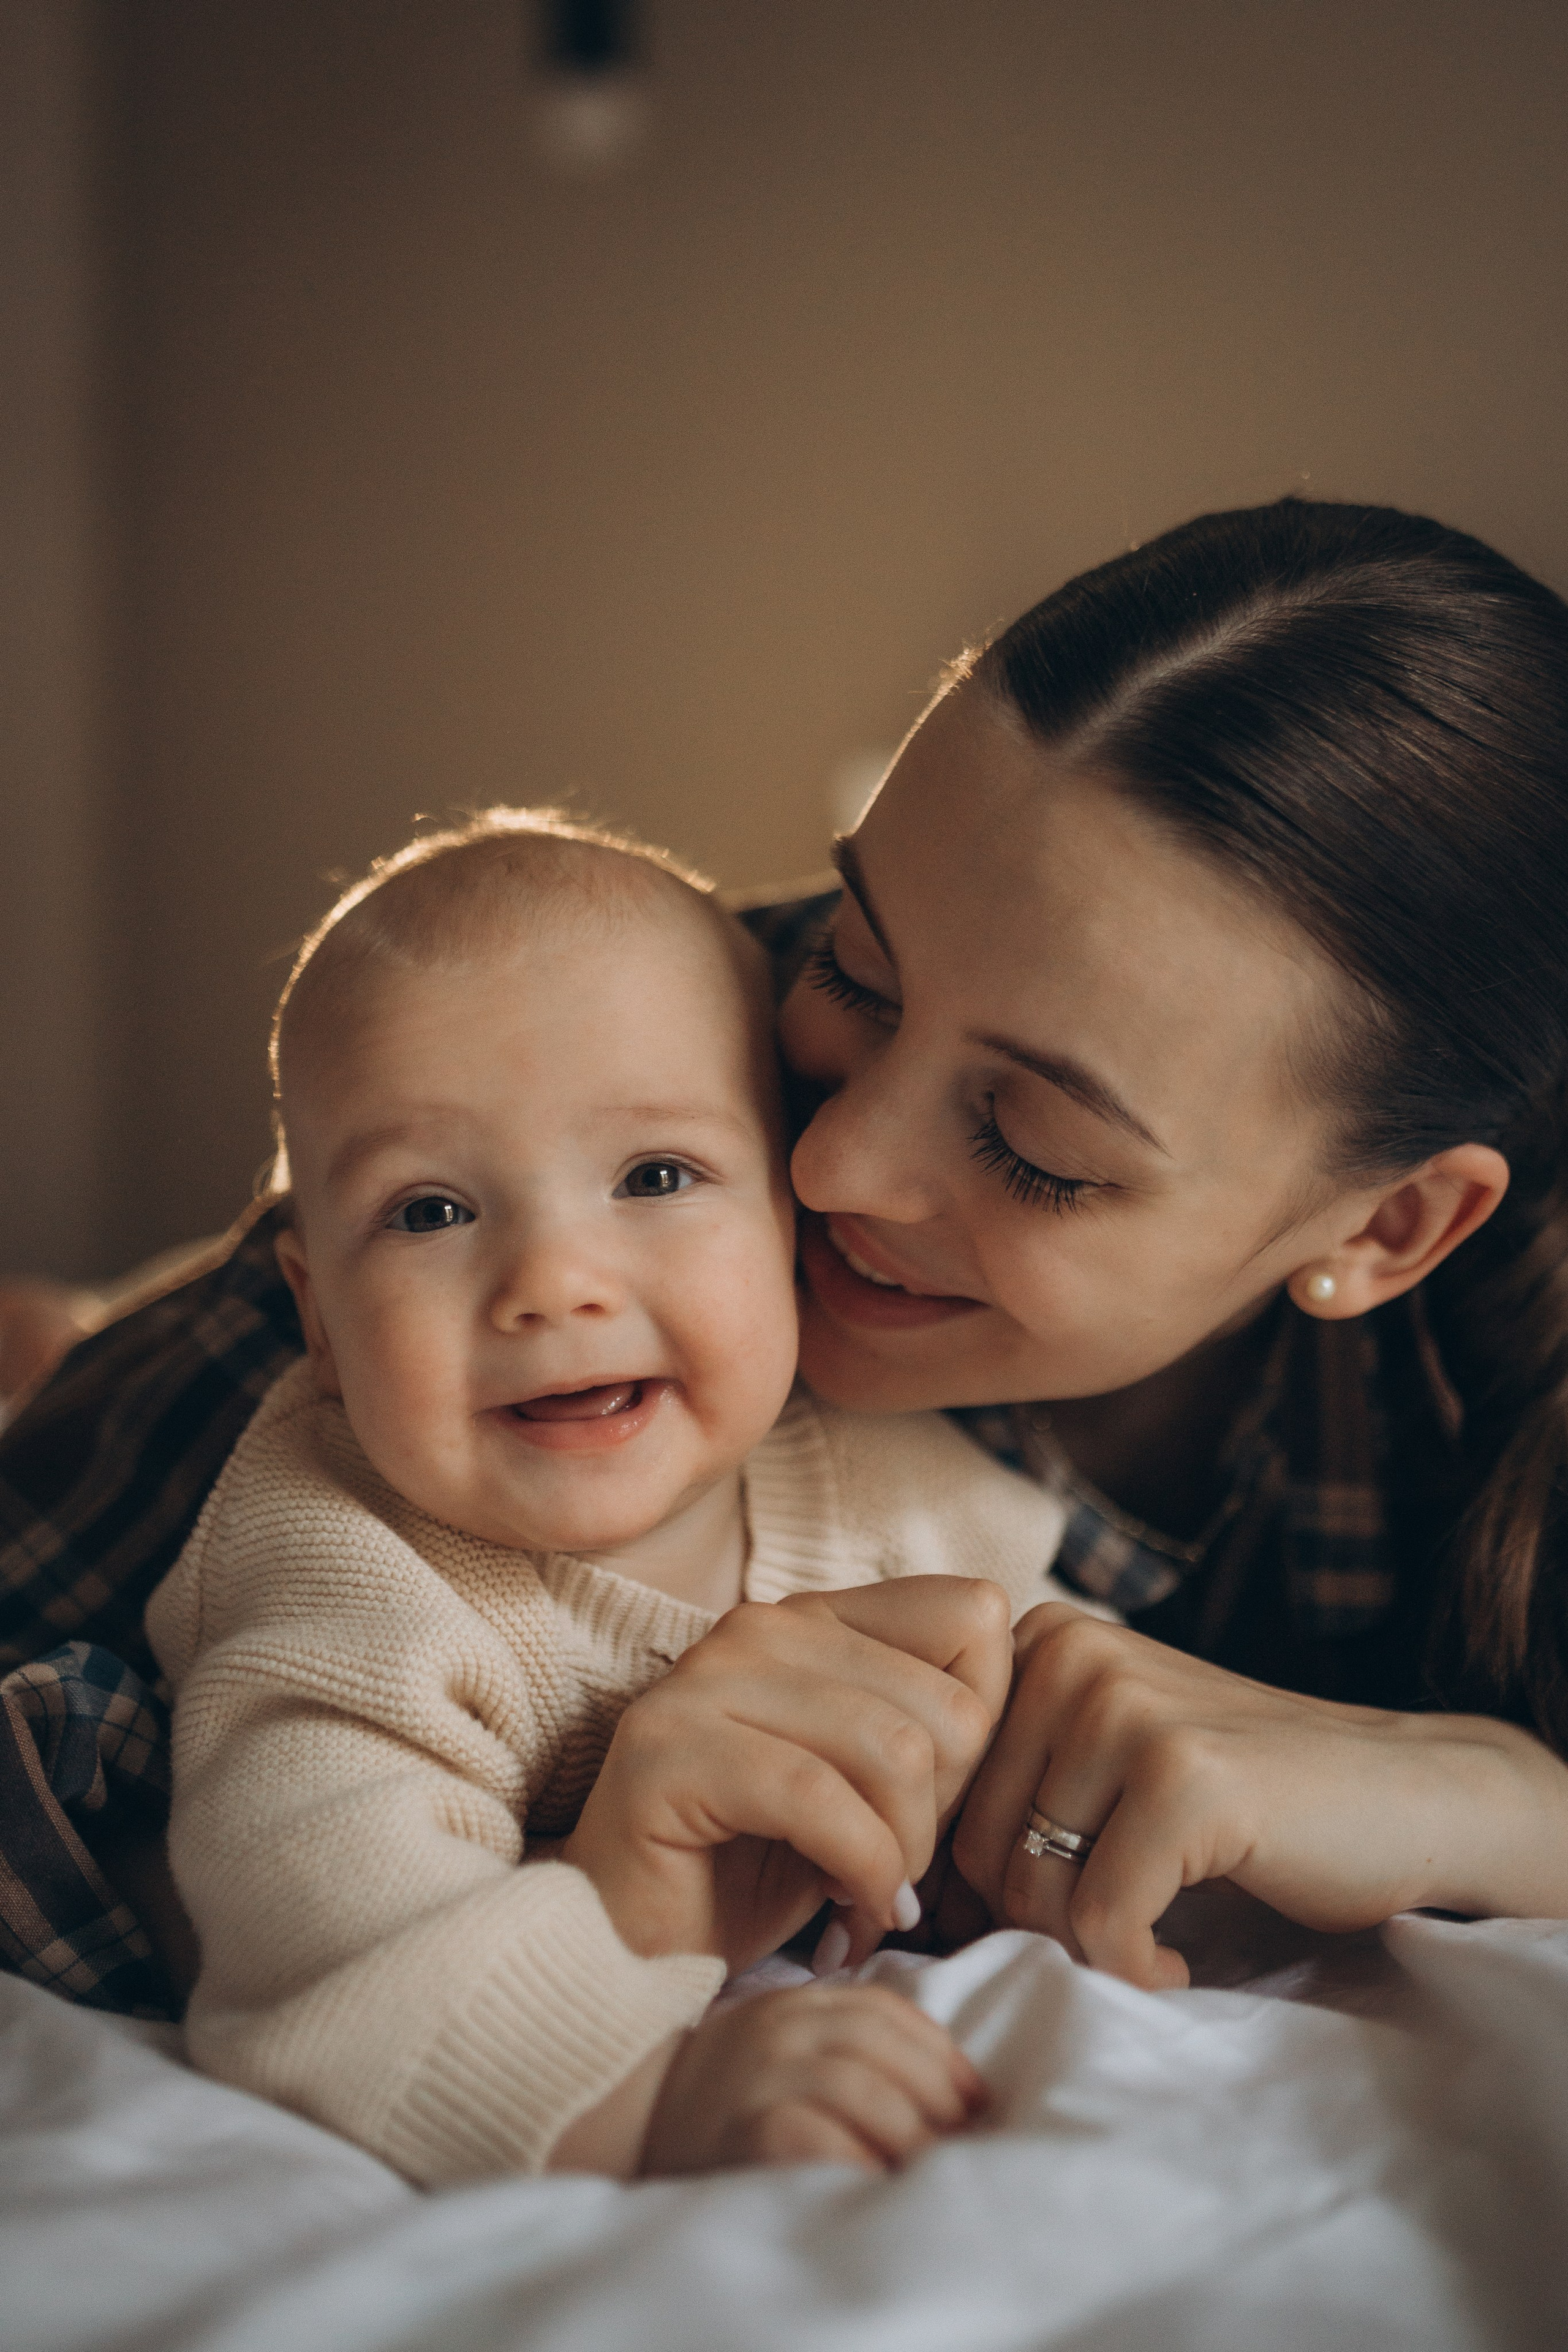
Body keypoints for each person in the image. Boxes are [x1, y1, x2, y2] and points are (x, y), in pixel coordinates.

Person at [6, 493, 1568, 2029]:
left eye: (1033, 1142)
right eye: (860, 969)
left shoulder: (1502, 1372)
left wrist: (1497, 1802)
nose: (830, 1165)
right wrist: (493, 1903)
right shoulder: (564, 1104)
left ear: (1384, 1231)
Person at [146, 810, 1084, 2183]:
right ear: (320, 1320)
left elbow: (1074, 1708)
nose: (552, 1283)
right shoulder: (337, 1571)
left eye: (655, 1176)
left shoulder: (875, 1466)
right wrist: (655, 2099)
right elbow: (336, 1959)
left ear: (790, 1223)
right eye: (429, 1211)